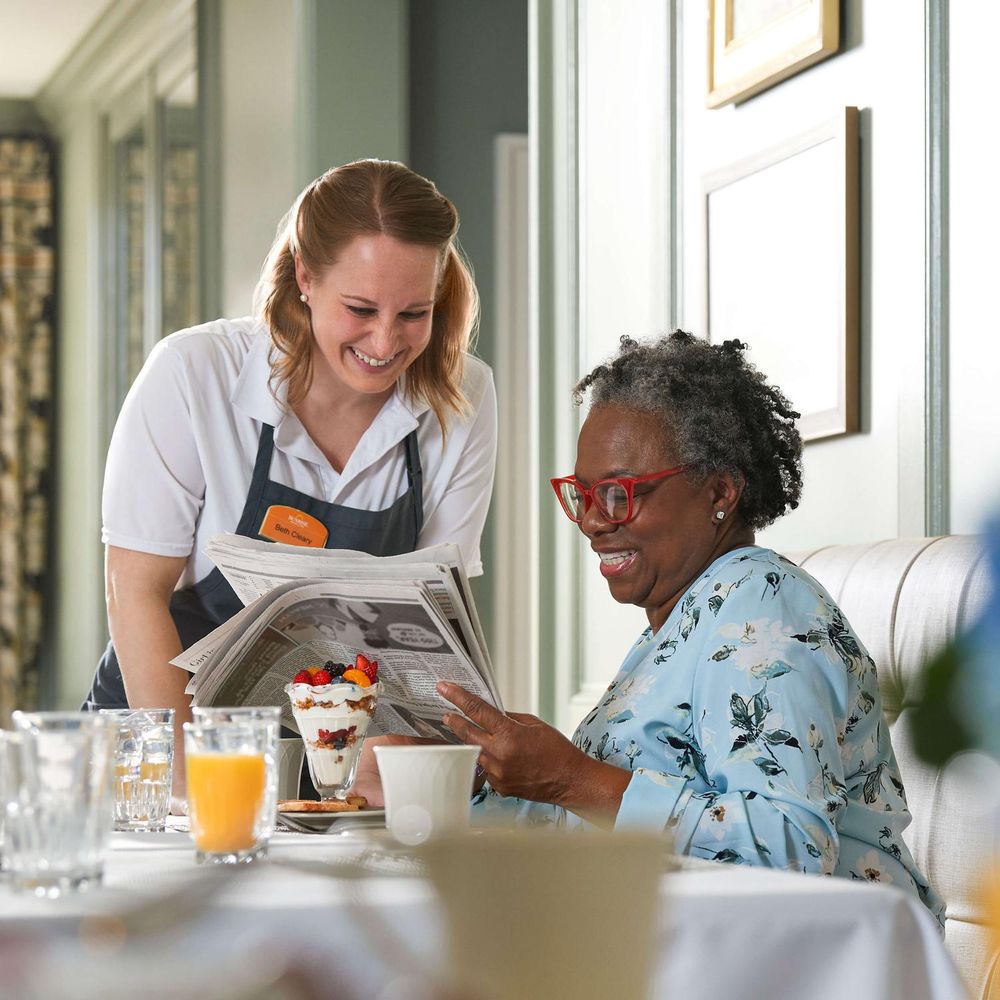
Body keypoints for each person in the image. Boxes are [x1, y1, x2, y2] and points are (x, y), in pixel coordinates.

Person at [358, 330, 943, 923]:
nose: (591, 521)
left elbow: (786, 847)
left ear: (720, 490)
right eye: (582, 495)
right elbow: (604, 825)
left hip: (823, 961)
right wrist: (459, 784)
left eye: (618, 494)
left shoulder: (763, 604)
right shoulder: (680, 625)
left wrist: (568, 777)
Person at [84, 160, 497, 794]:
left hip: (335, 761)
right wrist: (199, 787)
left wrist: (408, 761)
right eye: (360, 308)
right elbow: (134, 594)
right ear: (305, 275)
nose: (386, 342)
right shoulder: (194, 375)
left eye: (415, 313)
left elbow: (432, 627)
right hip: (163, 742)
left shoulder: (461, 396)